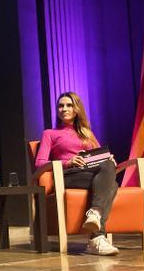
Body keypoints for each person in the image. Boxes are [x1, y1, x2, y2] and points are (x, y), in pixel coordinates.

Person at [35, 91, 119, 256]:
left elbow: (101, 157)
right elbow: (39, 163)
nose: (64, 109)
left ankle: (96, 223)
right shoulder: (50, 133)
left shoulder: (87, 133)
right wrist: (68, 162)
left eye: (69, 105)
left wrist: (109, 159)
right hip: (68, 176)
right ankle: (97, 236)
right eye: (60, 106)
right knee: (112, 185)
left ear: (76, 109)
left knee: (109, 167)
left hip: (89, 174)